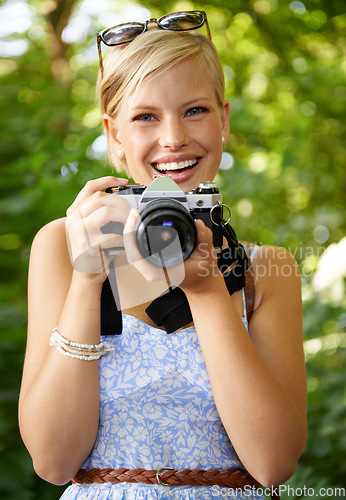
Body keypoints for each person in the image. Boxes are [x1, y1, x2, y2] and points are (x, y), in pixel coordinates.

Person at [18, 10, 307, 500]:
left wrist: (209, 289)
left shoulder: (263, 270)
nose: (173, 137)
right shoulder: (64, 246)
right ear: (114, 134)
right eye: (145, 117)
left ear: (224, 120)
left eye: (194, 110)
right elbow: (53, 460)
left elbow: (274, 463)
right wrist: (89, 279)